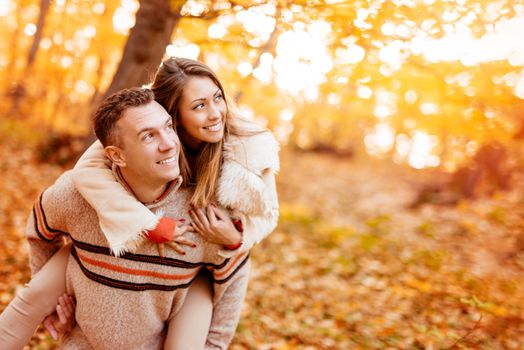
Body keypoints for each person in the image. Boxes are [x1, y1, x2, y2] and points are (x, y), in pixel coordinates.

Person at [0, 57, 279, 349]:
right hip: (97, 289)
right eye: (198, 105)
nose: (215, 113)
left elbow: (266, 217)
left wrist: (236, 238)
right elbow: (85, 173)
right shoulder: (131, 130)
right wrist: (148, 224)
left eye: (218, 98)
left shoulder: (244, 152)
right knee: (27, 304)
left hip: (192, 271)